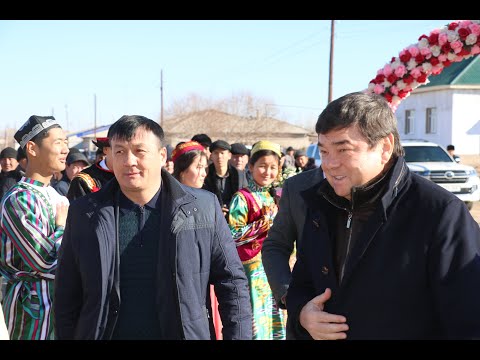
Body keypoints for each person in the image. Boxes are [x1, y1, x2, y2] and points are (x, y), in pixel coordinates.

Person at [286, 91, 480, 340]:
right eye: (323, 151)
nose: (330, 164)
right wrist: (304, 314)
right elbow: (302, 284)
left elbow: (469, 322)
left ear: (384, 147)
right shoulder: (321, 204)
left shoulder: (439, 213)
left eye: (343, 149)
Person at [54, 115, 252, 340]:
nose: (129, 161)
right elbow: (66, 296)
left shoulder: (202, 208)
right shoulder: (85, 212)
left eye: (139, 151)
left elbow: (232, 283)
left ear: (161, 156)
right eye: (119, 151)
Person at [0, 115, 70, 340]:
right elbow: (43, 260)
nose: (65, 150)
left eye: (66, 142)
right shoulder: (20, 199)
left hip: (58, 303)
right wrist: (61, 228)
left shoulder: (54, 193)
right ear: (32, 148)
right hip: (34, 306)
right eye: (58, 142)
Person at [228, 140, 286, 340]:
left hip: (272, 269)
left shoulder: (273, 198)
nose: (267, 172)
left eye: (273, 167)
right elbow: (232, 235)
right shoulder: (242, 198)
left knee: (273, 316)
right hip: (251, 272)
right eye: (262, 166)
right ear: (250, 166)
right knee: (255, 318)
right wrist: (263, 224)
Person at [262, 164, 324, 339]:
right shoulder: (298, 186)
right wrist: (290, 296)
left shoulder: (373, 185)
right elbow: (275, 245)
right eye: (325, 150)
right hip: (306, 319)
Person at [171, 140, 223, 339]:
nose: (203, 173)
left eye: (204, 168)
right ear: (182, 169)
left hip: (204, 285)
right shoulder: (166, 203)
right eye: (198, 167)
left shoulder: (208, 201)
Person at [203, 140, 248, 219]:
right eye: (216, 153)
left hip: (236, 218)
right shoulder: (205, 175)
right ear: (211, 156)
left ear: (229, 155)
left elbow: (245, 197)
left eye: (222, 153)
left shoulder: (239, 175)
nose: (219, 156)